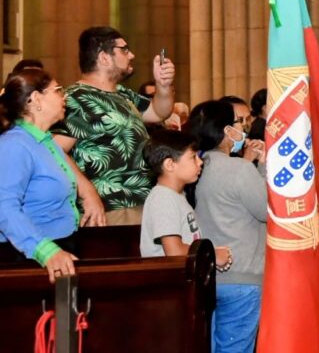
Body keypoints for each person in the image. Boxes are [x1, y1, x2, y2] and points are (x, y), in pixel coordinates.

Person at [51, 27, 176, 225]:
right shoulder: (77, 98)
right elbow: (54, 151)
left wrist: (164, 85)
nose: (132, 55)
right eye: (124, 49)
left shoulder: (123, 94)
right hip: (110, 207)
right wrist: (89, 194)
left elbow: (160, 112)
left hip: (142, 201)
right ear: (104, 57)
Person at [191, 100, 268, 353]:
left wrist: (247, 164)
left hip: (211, 274)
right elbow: (267, 210)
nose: (244, 128)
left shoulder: (198, 166)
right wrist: (263, 166)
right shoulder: (237, 169)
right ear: (226, 130)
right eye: (239, 122)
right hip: (242, 275)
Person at [0, 69, 79, 282]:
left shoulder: (46, 141)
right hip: (28, 257)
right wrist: (45, 250)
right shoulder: (14, 145)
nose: (65, 96)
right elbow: (4, 207)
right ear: (36, 99)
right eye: (58, 90)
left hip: (58, 247)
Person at [140, 129, 231, 264]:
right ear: (170, 164)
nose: (200, 162)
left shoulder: (176, 196)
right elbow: (174, 251)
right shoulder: (163, 198)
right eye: (193, 157)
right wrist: (211, 254)